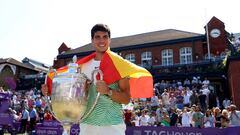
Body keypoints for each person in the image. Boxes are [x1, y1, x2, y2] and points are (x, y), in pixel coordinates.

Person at [42, 24, 153, 135]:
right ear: (92, 40)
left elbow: (126, 99)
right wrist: (51, 90)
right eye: (97, 37)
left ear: (109, 40)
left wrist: (108, 91)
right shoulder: (83, 66)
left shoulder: (119, 64)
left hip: (112, 126)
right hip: (87, 124)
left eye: (105, 37)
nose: (101, 40)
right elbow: (75, 94)